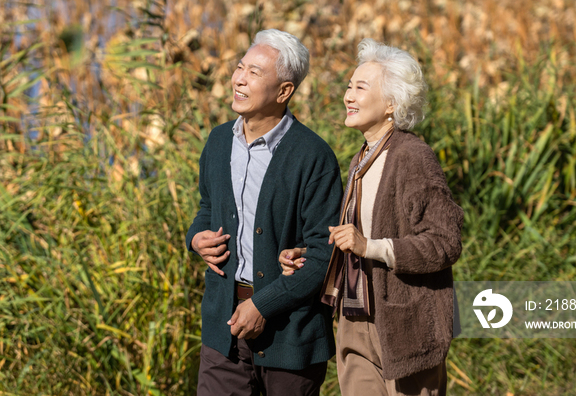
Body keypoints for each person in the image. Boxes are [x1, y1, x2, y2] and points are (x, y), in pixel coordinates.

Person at [280, 39, 463, 396]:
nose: (348, 95)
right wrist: (313, 258)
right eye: (348, 86)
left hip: (404, 326)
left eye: (360, 88)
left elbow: (445, 242)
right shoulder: (362, 158)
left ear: (392, 103)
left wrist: (370, 246)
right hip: (354, 320)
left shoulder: (412, 157)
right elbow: (357, 240)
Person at [186, 29, 343, 396]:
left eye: (254, 73)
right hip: (222, 328)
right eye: (240, 68)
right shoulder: (219, 140)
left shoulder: (313, 157)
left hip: (291, 336)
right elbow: (207, 207)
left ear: (284, 91)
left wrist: (263, 305)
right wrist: (196, 238)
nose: (238, 79)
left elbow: (325, 253)